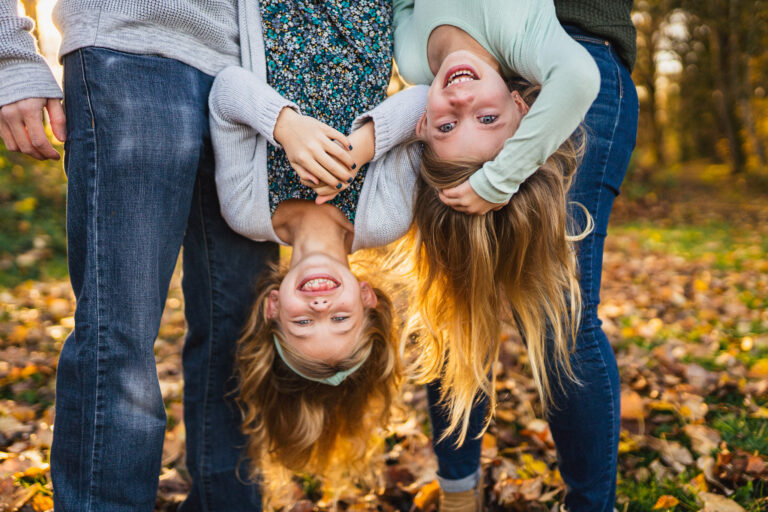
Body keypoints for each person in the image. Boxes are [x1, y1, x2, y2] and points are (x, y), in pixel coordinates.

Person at [0, 1, 275, 510]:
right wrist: (9, 54)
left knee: (242, 335)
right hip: (128, 48)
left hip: (250, 77)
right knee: (119, 337)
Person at [394, 0, 639, 510]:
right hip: (489, 67)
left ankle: (590, 505)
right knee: (455, 299)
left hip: (576, 44)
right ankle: (459, 494)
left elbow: (577, 78)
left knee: (558, 315)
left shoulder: (439, 65)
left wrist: (498, 179)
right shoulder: (433, 66)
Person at [207, 1, 428, 476]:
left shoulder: (245, 210)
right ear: (367, 299)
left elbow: (226, 91)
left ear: (273, 307)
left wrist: (286, 128)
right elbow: (426, 103)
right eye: (341, 319)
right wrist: (358, 150)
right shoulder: (385, 217)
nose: (321, 308)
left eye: (303, 324)